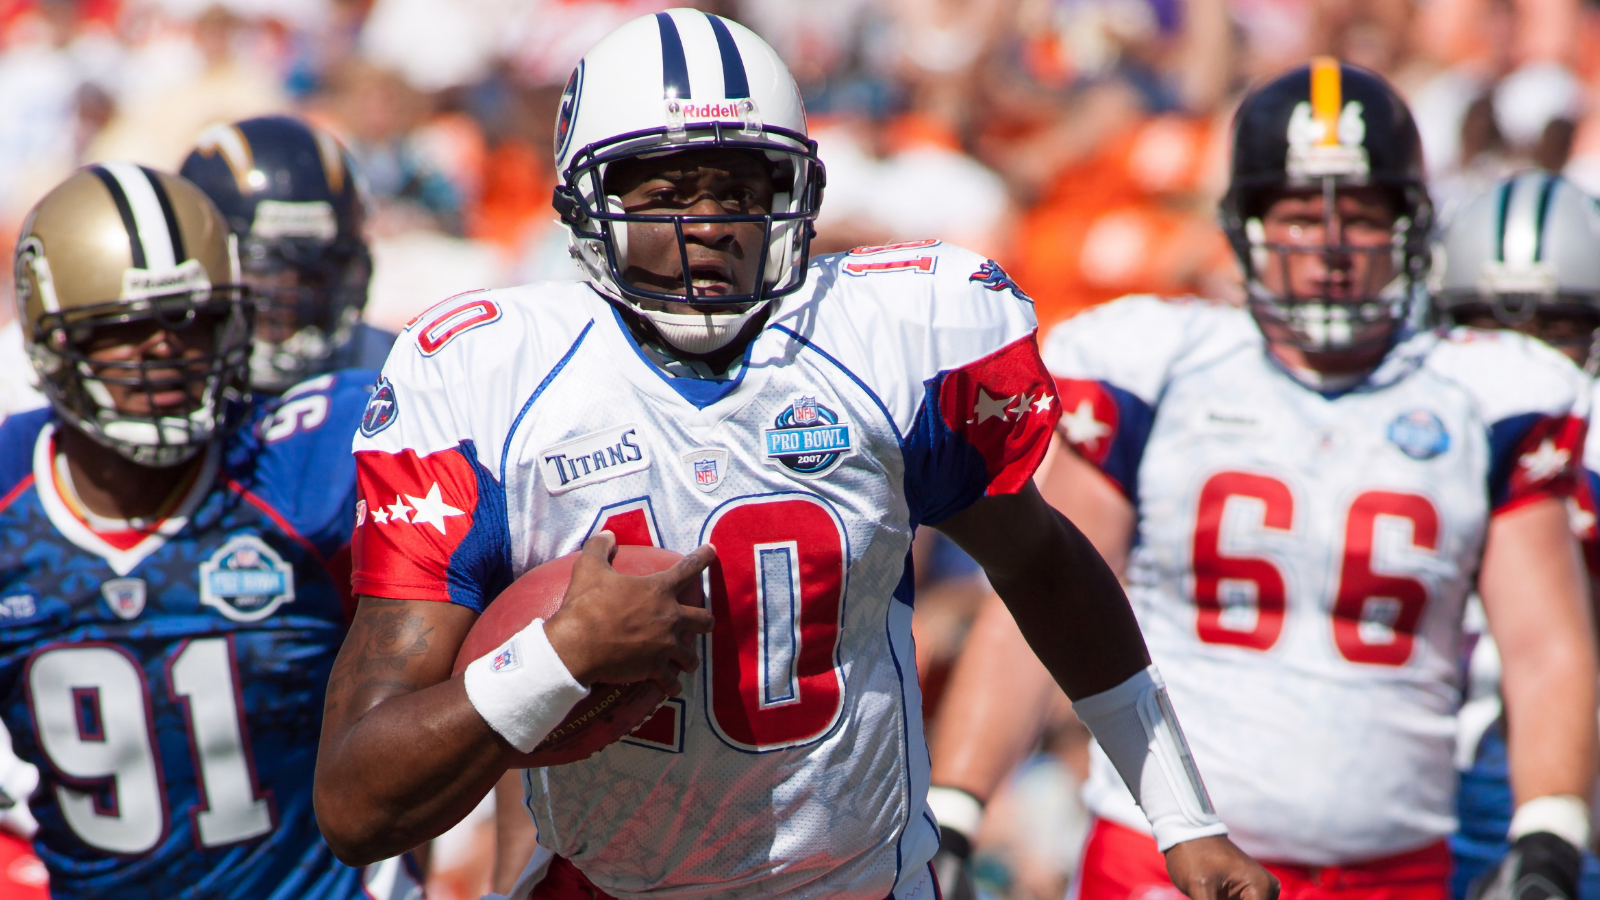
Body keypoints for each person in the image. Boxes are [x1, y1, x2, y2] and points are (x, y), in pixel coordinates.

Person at [311, 10, 1279, 900]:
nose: (708, 227)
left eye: (739, 187)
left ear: (795, 192)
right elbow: (357, 805)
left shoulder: (887, 335)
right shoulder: (488, 380)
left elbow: (1043, 562)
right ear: (585, 204)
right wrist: (554, 662)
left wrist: (1180, 817)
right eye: (665, 192)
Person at [926, 58, 1600, 900]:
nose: (1329, 247)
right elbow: (1040, 596)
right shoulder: (1156, 365)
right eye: (1296, 215)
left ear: (1408, 225)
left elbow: (1543, 645)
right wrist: (952, 811)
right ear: (1245, 223)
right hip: (1161, 860)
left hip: (1393, 874)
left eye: (1358, 215)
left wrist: (1549, 838)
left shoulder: (1489, 393)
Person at [0, 163, 418, 899]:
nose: (163, 347)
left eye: (192, 319)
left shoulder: (305, 464)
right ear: (50, 341)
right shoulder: (11, 497)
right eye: (122, 325)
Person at [1431, 170, 1600, 900]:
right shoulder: (1401, 429)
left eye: (1554, 331)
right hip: (1410, 791)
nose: (1523, 360)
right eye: (1496, 327)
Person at [179, 114, 394, 394]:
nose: (291, 290)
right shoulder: (166, 371)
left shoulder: (389, 370)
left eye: (317, 270)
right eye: (265, 267)